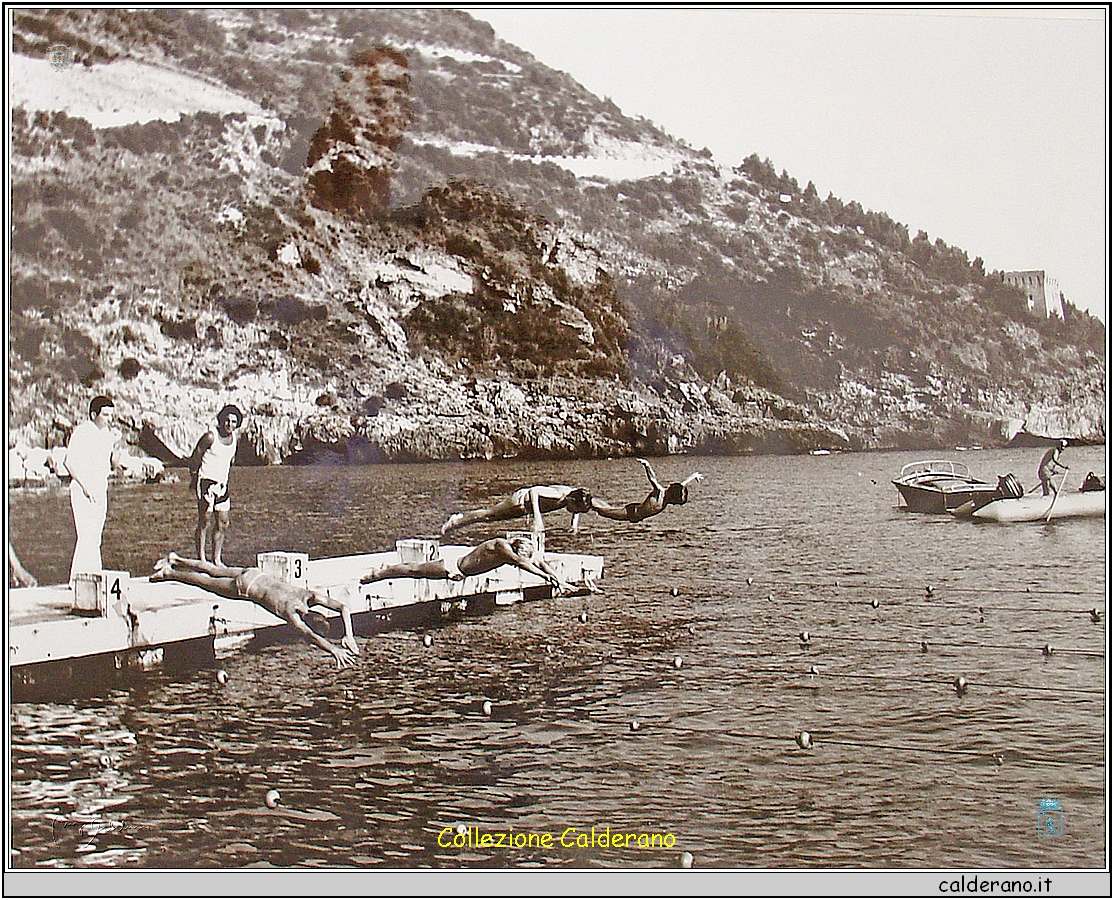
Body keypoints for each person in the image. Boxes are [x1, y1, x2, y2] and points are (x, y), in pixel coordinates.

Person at [150, 553, 359, 668]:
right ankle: (171, 573)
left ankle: (177, 559)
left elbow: (343, 607)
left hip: (255, 574)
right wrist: (334, 650)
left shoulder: (309, 596)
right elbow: (311, 636)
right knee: (205, 582)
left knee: (213, 569)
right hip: (247, 588)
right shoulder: (292, 615)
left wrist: (349, 634)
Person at [360, 536, 577, 594]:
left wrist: (558, 579)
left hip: (462, 566)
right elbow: (521, 562)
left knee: (415, 570)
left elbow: (537, 560)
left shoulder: (510, 550)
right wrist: (544, 578)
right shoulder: (502, 547)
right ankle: (379, 573)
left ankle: (383, 570)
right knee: (413, 570)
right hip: (453, 566)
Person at [63, 395, 123, 582]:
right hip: (82, 489)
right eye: (105, 415)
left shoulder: (106, 435)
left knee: (95, 538)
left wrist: (116, 445)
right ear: (93, 414)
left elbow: (113, 464)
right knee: (86, 535)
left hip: (100, 488)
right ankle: (78, 580)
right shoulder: (82, 432)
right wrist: (86, 487)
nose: (109, 419)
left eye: (111, 415)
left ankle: (91, 578)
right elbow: (69, 462)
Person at [187, 405, 243, 566]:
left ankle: (217, 559)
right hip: (206, 481)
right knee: (204, 520)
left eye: (233, 421)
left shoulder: (234, 440)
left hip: (222, 484)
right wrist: (193, 479)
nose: (229, 424)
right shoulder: (211, 437)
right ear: (221, 419)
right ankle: (201, 559)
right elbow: (195, 457)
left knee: (223, 522)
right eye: (227, 420)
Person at [440, 485, 593, 536]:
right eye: (576, 509)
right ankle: (456, 520)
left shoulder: (573, 494)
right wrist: (537, 518)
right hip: (519, 502)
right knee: (488, 515)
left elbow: (578, 503)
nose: (574, 511)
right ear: (572, 500)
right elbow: (534, 491)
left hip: (525, 508)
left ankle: (458, 522)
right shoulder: (559, 495)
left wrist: (574, 524)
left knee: (489, 518)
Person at [591, 458, 704, 523]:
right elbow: (652, 479)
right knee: (604, 511)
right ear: (672, 496)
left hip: (637, 514)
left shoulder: (668, 498)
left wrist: (693, 476)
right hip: (631, 512)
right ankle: (586, 500)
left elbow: (682, 484)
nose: (674, 505)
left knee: (607, 509)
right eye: (676, 502)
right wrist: (647, 466)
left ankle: (591, 502)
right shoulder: (660, 493)